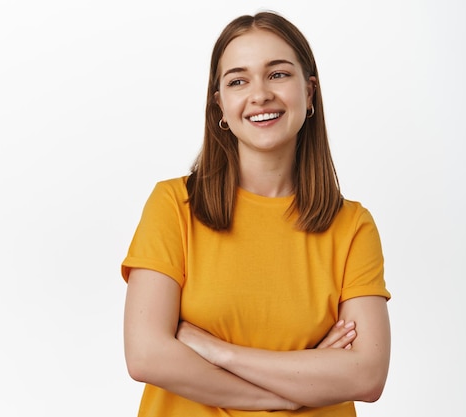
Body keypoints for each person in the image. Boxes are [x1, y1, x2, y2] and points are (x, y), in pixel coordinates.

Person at [121, 11, 391, 417]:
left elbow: (366, 375)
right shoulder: (174, 205)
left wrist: (217, 351)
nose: (260, 94)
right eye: (238, 81)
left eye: (278, 74)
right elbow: (146, 355)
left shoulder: (352, 226)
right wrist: (290, 393)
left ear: (310, 92)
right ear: (221, 107)